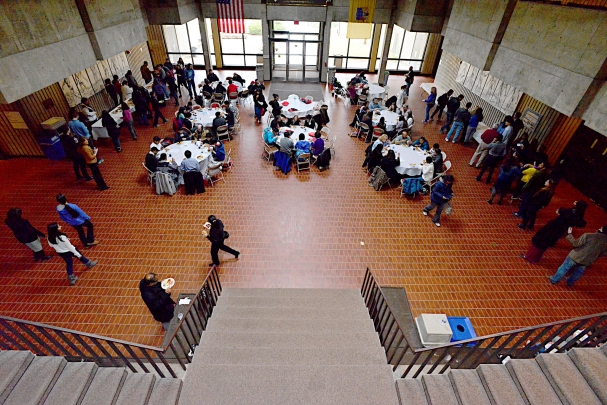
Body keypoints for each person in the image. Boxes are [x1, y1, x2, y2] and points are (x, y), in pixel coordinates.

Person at [521, 201, 588, 264]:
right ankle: (536, 258)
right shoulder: (579, 216)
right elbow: (582, 223)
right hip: (559, 231)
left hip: (552, 227)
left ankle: (530, 257)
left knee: (538, 242)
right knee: (545, 244)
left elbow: (560, 210)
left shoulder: (569, 212)